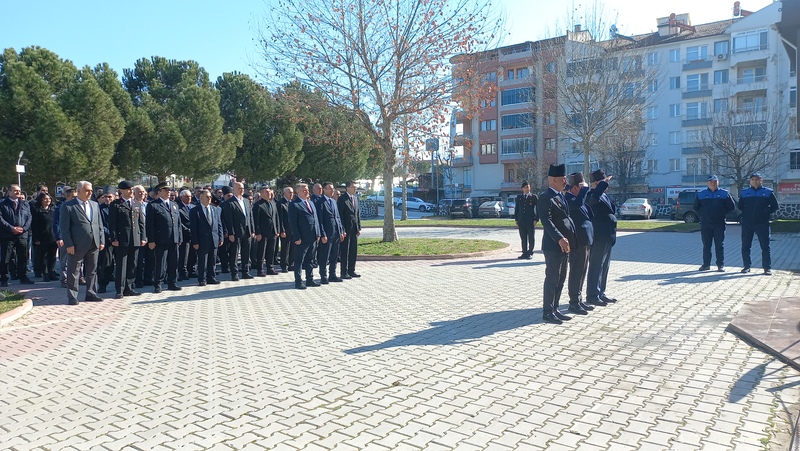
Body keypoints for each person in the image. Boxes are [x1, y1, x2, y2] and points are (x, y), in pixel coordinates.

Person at [537, 164, 577, 325]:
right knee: (552, 278)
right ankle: (547, 311)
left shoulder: (560, 196)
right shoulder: (545, 197)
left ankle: (555, 308)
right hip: (553, 245)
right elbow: (546, 221)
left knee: (561, 278)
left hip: (564, 245)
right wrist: (560, 237)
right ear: (554, 180)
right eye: (563, 178)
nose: (566, 181)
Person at [59, 181, 105, 305]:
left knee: (92, 270)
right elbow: (64, 228)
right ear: (79, 191)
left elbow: (99, 224)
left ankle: (91, 293)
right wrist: (69, 244)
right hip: (76, 244)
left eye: (91, 190)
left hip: (94, 242)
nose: (90, 193)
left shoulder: (94, 205)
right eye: (87, 190)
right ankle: (73, 296)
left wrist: (101, 240)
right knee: (74, 271)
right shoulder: (68, 206)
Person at [585, 169, 618, 307]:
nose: (607, 185)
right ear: (596, 183)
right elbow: (593, 201)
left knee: (605, 266)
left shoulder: (603, 195)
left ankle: (600, 292)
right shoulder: (591, 194)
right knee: (596, 266)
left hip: (607, 236)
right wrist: (600, 186)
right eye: (604, 182)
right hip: (598, 236)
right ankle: (592, 295)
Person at [108, 181, 146, 299]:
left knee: (132, 264)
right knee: (121, 265)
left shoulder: (136, 204)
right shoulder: (115, 204)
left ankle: (129, 287)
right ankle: (120, 289)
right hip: (122, 239)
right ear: (122, 191)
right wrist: (114, 238)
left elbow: (141, 223)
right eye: (128, 189)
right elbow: (112, 224)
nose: (131, 192)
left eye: (132, 189)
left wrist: (143, 237)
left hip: (135, 238)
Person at [564, 172, 594, 316]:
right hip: (577, 241)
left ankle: (579, 299)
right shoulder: (568, 199)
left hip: (585, 241)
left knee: (583, 271)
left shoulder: (578, 199)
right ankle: (573, 302)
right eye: (580, 187)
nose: (583, 189)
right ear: (574, 188)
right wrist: (583, 190)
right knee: (576, 271)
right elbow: (576, 205)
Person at [739, 173, 779, 275]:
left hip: (762, 223)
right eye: (752, 179)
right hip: (748, 223)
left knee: (765, 246)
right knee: (745, 246)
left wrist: (765, 212)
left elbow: (775, 206)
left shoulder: (768, 192)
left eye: (757, 179)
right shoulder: (744, 193)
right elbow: (740, 206)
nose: (755, 181)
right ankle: (746, 266)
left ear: (761, 181)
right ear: (750, 181)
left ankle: (767, 268)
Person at [693, 175, 736, 272]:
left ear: (718, 183)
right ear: (708, 183)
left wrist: (722, 213)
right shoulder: (701, 194)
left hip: (719, 223)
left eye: (715, 182)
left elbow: (732, 206)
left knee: (719, 245)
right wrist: (703, 215)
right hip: (706, 224)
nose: (713, 183)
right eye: (711, 182)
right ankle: (706, 265)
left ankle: (720, 265)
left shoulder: (724, 194)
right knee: (706, 245)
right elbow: (695, 207)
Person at [146, 181, 182, 293]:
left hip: (174, 238)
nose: (168, 192)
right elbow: (150, 225)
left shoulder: (174, 205)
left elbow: (178, 223)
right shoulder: (153, 205)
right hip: (161, 239)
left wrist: (179, 237)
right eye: (166, 190)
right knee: (160, 263)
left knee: (173, 262)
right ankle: (158, 284)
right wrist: (151, 240)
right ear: (159, 192)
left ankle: (172, 282)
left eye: (169, 190)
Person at [288, 183, 321, 289]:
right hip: (302, 238)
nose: (306, 191)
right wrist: (297, 237)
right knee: (299, 260)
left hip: (312, 237)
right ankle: (298, 281)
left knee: (310, 259)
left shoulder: (311, 203)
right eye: (304, 190)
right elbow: (293, 223)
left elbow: (315, 219)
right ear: (297, 192)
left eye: (307, 190)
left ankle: (309, 279)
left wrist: (318, 233)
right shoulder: (294, 204)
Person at [0, 184, 34, 287]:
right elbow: (1, 219)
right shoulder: (2, 204)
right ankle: (4, 278)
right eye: (15, 191)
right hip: (8, 235)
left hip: (22, 235)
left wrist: (23, 228)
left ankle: (23, 277)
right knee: (6, 257)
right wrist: (11, 228)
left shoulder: (25, 204)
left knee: (23, 257)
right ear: (9, 192)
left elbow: (29, 217)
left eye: (19, 190)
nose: (18, 192)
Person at [222, 182, 255, 281]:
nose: (241, 190)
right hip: (236, 232)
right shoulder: (229, 202)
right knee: (235, 253)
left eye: (242, 188)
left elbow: (250, 217)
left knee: (246, 252)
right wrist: (231, 233)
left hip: (247, 230)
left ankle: (245, 271)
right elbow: (229, 219)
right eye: (239, 188)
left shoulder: (246, 201)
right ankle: (234, 273)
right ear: (234, 189)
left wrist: (252, 229)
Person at [190, 189, 223, 286]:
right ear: (201, 198)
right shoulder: (195, 211)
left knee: (212, 260)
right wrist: (195, 242)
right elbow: (193, 228)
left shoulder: (215, 209)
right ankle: (202, 279)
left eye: (210, 197)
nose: (209, 199)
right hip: (202, 239)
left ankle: (211, 277)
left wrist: (220, 237)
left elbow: (219, 224)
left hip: (214, 238)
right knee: (202, 260)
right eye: (207, 197)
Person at [315, 182, 345, 284]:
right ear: (324, 190)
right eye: (330, 189)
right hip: (327, 235)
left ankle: (332, 274)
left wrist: (341, 231)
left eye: (333, 189)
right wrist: (323, 234)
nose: (332, 191)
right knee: (325, 256)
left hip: (336, 234)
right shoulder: (320, 202)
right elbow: (320, 220)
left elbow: (338, 218)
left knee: (334, 256)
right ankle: (323, 276)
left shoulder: (333, 202)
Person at [30, 192, 58, 282]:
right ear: (41, 200)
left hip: (52, 237)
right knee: (43, 257)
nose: (47, 201)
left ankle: (51, 272)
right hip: (42, 237)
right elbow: (35, 226)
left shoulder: (53, 210)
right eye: (45, 199)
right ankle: (45, 273)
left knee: (52, 256)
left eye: (49, 199)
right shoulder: (37, 211)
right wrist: (36, 238)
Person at [253, 187, 280, 277]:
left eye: (269, 192)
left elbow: (276, 218)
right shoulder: (258, 205)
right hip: (263, 232)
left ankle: (270, 267)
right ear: (261, 193)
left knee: (271, 250)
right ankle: (260, 269)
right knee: (261, 251)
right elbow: (255, 220)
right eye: (266, 192)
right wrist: (258, 232)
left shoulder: (273, 203)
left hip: (272, 231)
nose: (269, 193)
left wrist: (277, 229)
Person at [338, 181, 362, 279]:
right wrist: (342, 229)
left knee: (353, 250)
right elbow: (340, 216)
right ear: (347, 188)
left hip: (354, 228)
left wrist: (359, 227)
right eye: (353, 187)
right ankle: (344, 272)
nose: (355, 189)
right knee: (345, 250)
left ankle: (351, 270)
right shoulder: (342, 199)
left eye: (355, 187)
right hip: (346, 229)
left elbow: (357, 214)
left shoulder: (355, 199)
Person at [96, 192, 115, 293]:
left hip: (118, 239)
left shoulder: (117, 207)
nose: (107, 199)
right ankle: (102, 284)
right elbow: (100, 225)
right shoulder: (99, 209)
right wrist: (111, 234)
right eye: (105, 197)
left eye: (109, 197)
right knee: (105, 263)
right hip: (106, 240)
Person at [514, 181, 538, 259]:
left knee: (531, 237)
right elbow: (517, 208)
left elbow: (537, 209)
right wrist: (516, 219)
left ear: (530, 187)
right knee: (523, 238)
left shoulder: (533, 197)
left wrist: (536, 219)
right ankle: (524, 252)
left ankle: (530, 252)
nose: (526, 189)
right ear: (522, 189)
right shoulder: (519, 197)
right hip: (521, 220)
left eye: (527, 187)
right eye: (525, 187)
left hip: (530, 221)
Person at [177, 189, 197, 281]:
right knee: (184, 255)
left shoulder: (194, 207)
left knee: (193, 254)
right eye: (186, 196)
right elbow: (179, 222)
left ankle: (192, 270)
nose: (189, 198)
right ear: (181, 197)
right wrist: (187, 230)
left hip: (194, 234)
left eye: (190, 196)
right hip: (185, 235)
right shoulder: (178, 207)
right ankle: (183, 272)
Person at [278, 187, 294, 273]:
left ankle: (291, 264)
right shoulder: (281, 203)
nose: (291, 194)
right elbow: (280, 218)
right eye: (289, 192)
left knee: (293, 247)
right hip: (285, 229)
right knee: (285, 248)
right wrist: (282, 230)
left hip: (293, 229)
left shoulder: (292, 203)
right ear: (285, 193)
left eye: (292, 192)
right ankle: (284, 265)